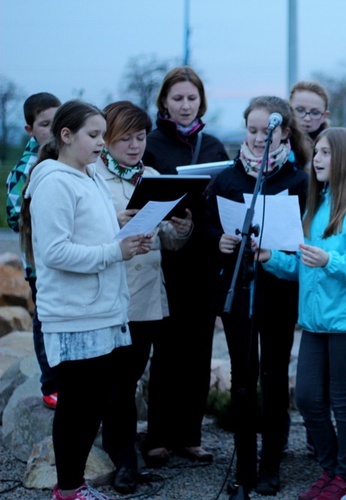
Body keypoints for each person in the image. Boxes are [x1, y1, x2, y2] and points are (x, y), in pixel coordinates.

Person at [20, 100, 152, 500]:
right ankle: (69, 489)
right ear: (66, 136)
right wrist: (118, 252)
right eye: (94, 135)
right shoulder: (54, 181)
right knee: (77, 407)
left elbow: (89, 224)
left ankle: (72, 488)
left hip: (103, 310)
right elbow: (55, 252)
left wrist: (120, 221)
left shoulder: (88, 173)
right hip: (75, 315)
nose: (101, 143)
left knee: (92, 405)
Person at [257, 128, 346, 500]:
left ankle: (345, 477)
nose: (317, 160)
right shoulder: (318, 202)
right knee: (308, 398)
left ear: (344, 157)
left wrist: (330, 260)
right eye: (316, 153)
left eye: (325, 153)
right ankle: (331, 469)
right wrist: (271, 259)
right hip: (314, 319)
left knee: (342, 399)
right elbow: (304, 266)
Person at [205, 96, 309, 497]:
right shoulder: (228, 179)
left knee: (274, 375)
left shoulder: (297, 180)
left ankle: (270, 464)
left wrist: (277, 251)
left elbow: (303, 237)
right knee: (243, 379)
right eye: (251, 130)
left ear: (284, 132)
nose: (257, 137)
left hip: (279, 292)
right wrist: (221, 241)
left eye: (266, 131)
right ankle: (243, 466)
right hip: (240, 291)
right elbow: (208, 229)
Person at [94, 101, 193, 494]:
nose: (134, 146)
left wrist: (181, 227)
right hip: (111, 296)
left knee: (133, 379)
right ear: (106, 138)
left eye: (139, 138)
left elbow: (168, 240)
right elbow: (80, 236)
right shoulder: (92, 177)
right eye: (125, 138)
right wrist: (112, 222)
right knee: (116, 384)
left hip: (149, 297)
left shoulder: (151, 175)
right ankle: (121, 461)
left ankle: (127, 460)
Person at [141, 66, 229, 466]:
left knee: (197, 353)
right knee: (165, 354)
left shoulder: (212, 147)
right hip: (164, 262)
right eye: (177, 98)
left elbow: (227, 203)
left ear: (201, 101)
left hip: (204, 263)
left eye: (191, 98)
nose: (185, 105)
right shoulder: (151, 145)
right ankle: (157, 436)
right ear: (164, 102)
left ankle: (189, 436)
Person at [4, 92, 60, 409]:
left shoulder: (67, 159)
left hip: (65, 260)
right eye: (44, 124)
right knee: (45, 320)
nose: (51, 130)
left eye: (58, 122)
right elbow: (14, 218)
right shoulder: (27, 167)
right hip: (40, 263)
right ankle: (50, 383)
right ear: (30, 129)